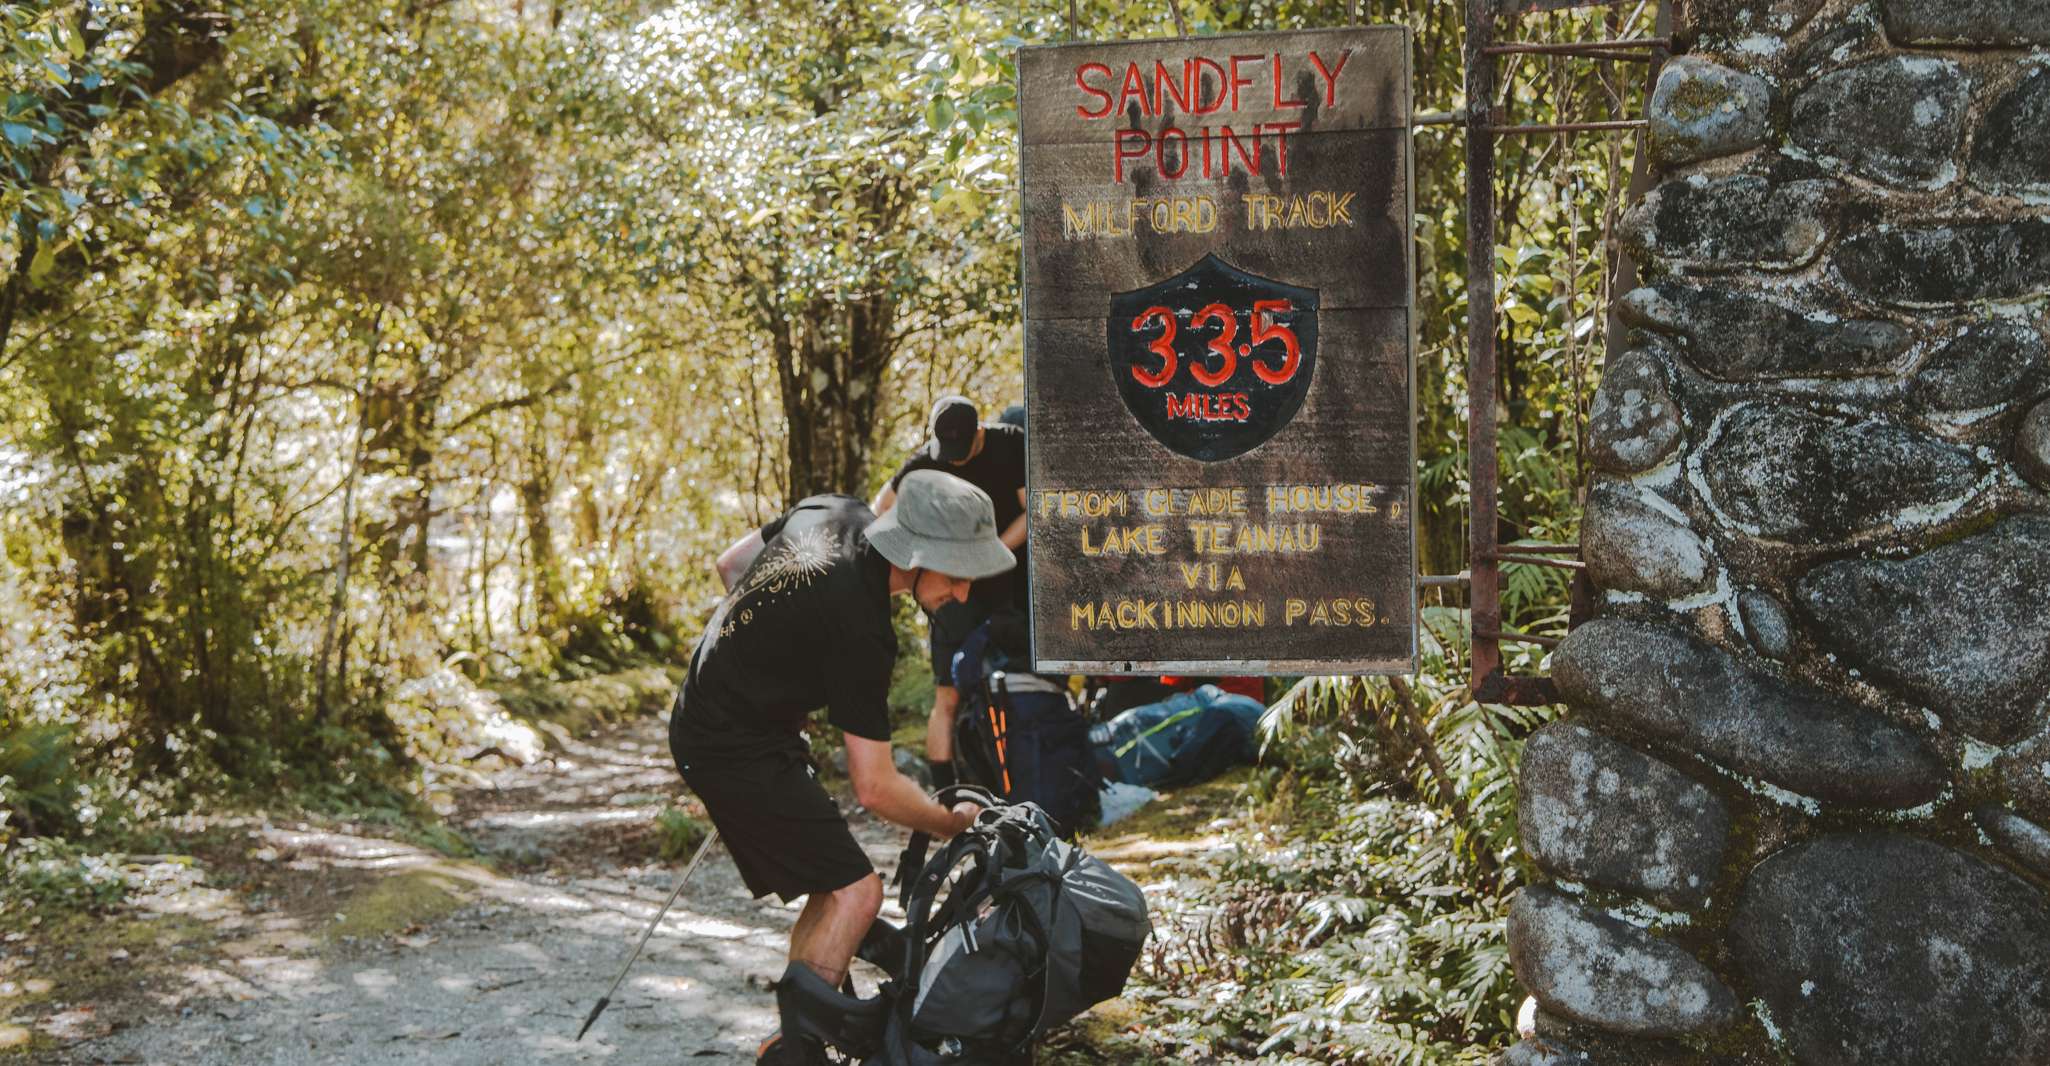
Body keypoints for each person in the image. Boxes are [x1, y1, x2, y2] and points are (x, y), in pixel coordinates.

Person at [669, 470, 1016, 1066]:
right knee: (858, 892)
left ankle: (792, 1040)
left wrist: (768, 671)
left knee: (836, 883)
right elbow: (874, 786)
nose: (962, 594)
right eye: (957, 576)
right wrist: (950, 825)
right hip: (729, 742)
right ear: (918, 556)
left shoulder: (834, 510)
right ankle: (796, 1051)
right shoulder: (863, 630)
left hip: (716, 713)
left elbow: (732, 565)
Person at [871, 396, 1027, 793]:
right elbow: (881, 508)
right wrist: (920, 559)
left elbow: (1034, 511)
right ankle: (945, 795)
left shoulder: (1009, 442)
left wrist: (989, 558)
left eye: (964, 449)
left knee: (1019, 683)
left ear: (980, 431)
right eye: (947, 451)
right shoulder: (928, 459)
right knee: (948, 696)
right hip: (949, 591)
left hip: (1011, 587)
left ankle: (1024, 783)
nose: (955, 459)